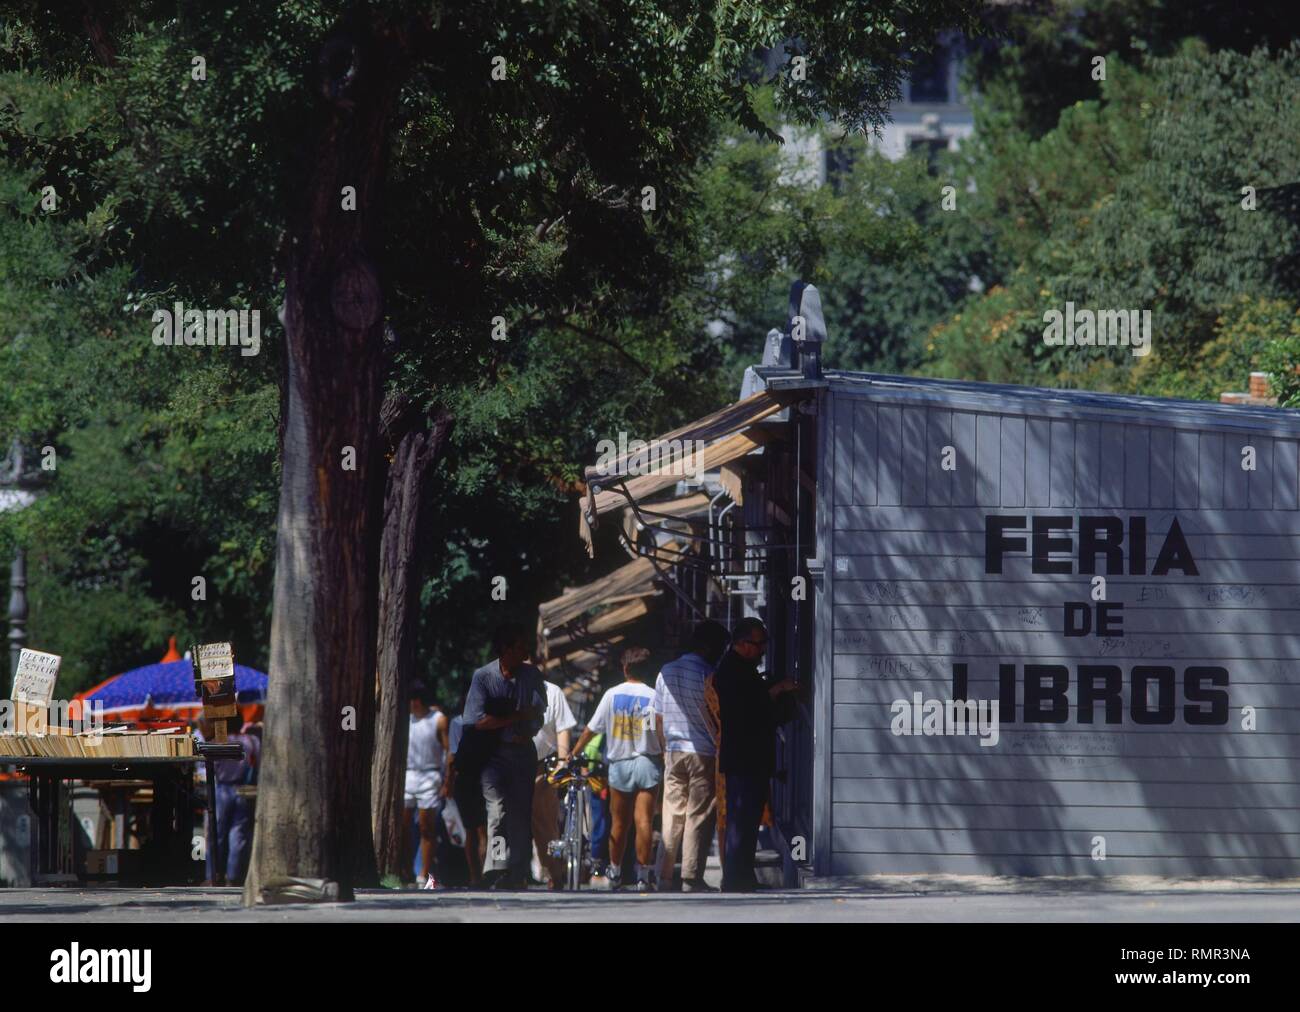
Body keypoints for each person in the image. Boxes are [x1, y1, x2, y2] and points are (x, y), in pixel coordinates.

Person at [712, 617, 797, 893]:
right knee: (741, 818)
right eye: (758, 644)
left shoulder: (742, 669)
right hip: (743, 756)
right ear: (742, 644)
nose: (762, 650)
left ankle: (742, 875)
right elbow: (748, 708)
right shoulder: (731, 670)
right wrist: (777, 690)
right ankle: (736, 878)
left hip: (749, 756)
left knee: (748, 820)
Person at [462, 624, 547, 889]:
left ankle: (518, 872)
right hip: (494, 755)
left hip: (523, 753)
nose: (525, 651)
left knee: (520, 814)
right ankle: (496, 868)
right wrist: (514, 718)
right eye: (520, 646)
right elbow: (476, 721)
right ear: (506, 650)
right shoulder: (483, 677)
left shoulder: (532, 675)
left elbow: (537, 712)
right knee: (496, 811)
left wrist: (522, 723)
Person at [571, 646, 662, 892]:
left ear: (625, 668)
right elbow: (658, 730)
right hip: (647, 761)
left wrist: (573, 752)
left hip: (619, 764)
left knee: (619, 823)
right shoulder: (654, 696)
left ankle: (616, 871)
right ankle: (643, 876)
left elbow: (591, 729)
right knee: (644, 822)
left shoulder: (611, 695)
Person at [654, 619, 729, 892]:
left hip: (673, 751)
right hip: (703, 751)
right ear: (708, 646)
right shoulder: (710, 674)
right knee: (697, 815)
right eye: (720, 646)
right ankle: (690, 877)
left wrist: (664, 749)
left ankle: (663, 876)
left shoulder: (666, 672)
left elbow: (658, 718)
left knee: (672, 814)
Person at [202, 716, 260, 887]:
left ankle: (212, 875)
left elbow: (207, 762)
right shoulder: (252, 740)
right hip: (243, 789)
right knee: (238, 834)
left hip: (222, 789)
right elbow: (259, 763)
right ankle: (233, 876)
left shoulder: (217, 742)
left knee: (215, 834)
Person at [532, 677, 578, 888]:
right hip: (512, 765)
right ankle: (509, 872)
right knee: (507, 823)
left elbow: (563, 728)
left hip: (543, 767)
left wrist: (561, 762)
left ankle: (554, 874)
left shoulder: (553, 691)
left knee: (546, 827)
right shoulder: (506, 687)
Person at [403, 681, 449, 889]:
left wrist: (448, 781)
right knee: (403, 826)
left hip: (430, 775)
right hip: (408, 775)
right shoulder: (406, 720)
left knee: (426, 827)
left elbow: (449, 753)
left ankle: (423, 874)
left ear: (418, 700)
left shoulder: (438, 720)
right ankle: (403, 869)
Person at [445, 706, 489, 887]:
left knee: (475, 830)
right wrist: (449, 782)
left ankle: (478, 876)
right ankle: (482, 874)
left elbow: (453, 757)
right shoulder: (460, 722)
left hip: (471, 777)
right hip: (478, 777)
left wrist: (449, 782)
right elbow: (452, 757)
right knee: (482, 830)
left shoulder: (458, 722)